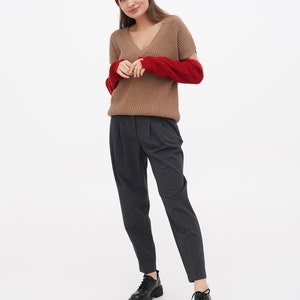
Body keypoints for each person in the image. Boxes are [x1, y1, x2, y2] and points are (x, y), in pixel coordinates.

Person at [105, 1, 211, 299]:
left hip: (161, 126)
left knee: (176, 200)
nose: (130, 2)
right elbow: (112, 86)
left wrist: (154, 64)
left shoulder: (174, 25)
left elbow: (195, 72)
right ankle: (150, 278)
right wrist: (116, 69)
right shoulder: (117, 37)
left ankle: (200, 287)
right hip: (121, 126)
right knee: (132, 203)